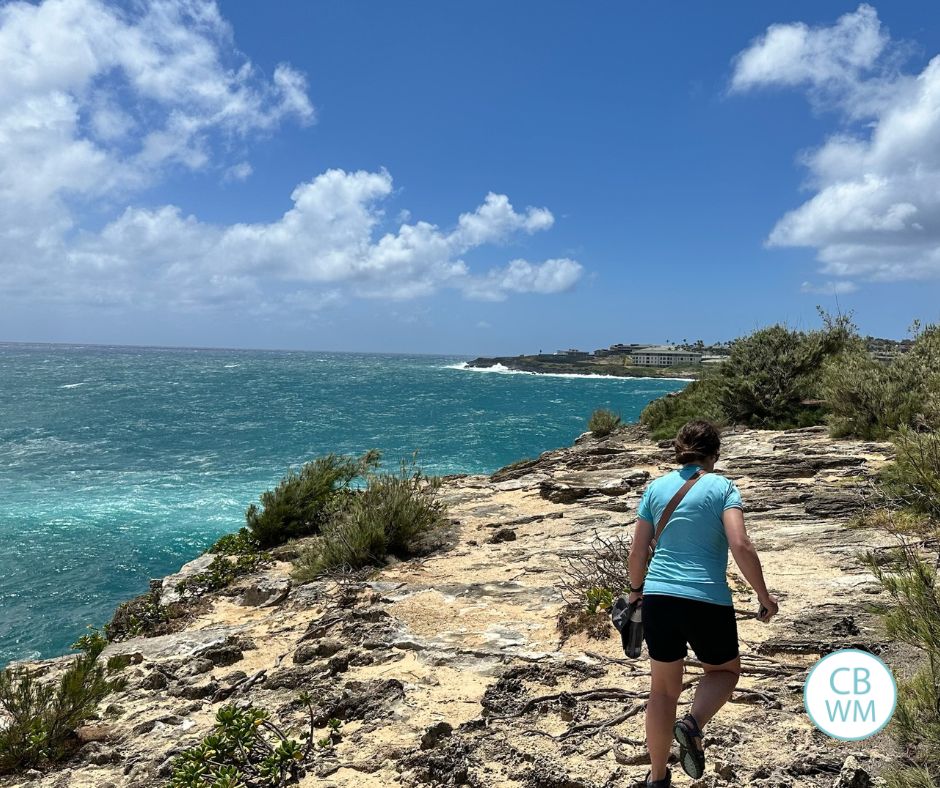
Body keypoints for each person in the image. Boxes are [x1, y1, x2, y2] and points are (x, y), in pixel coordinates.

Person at [627, 420, 778, 788]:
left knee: (662, 691)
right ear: (715, 453)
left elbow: (637, 551)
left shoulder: (656, 488)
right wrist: (763, 595)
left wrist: (635, 593)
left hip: (659, 598)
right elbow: (741, 545)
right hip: (707, 599)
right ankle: (693, 724)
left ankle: (658, 778)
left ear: (678, 450)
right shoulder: (723, 487)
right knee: (724, 672)